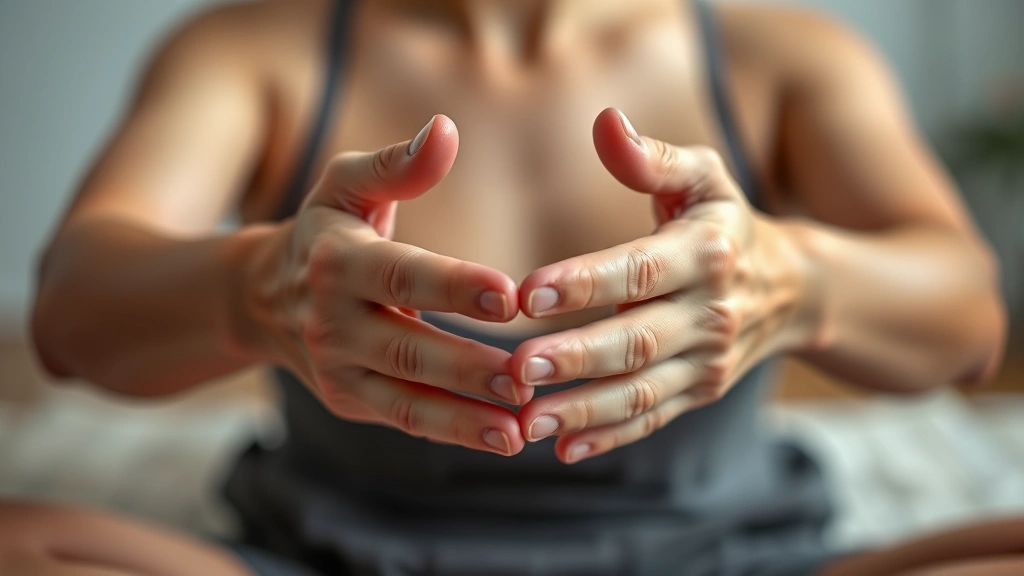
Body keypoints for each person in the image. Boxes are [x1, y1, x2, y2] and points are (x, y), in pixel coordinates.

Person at [5, 0, 1017, 574]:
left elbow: (966, 321)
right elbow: (71, 318)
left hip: (735, 561)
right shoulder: (257, 48)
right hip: (336, 560)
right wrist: (257, 289)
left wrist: (795, 281)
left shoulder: (783, 56)